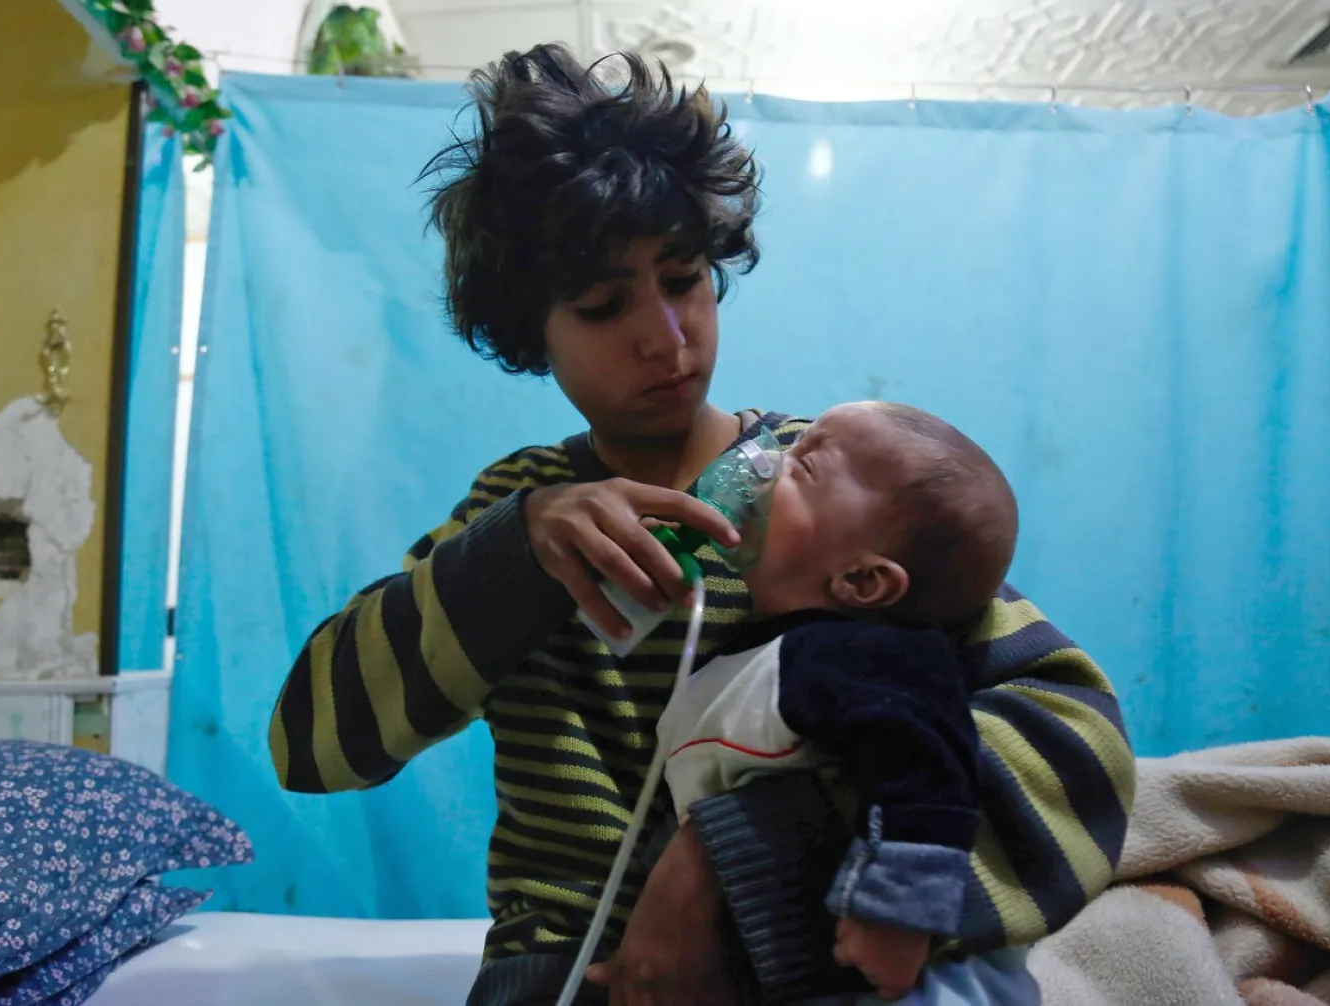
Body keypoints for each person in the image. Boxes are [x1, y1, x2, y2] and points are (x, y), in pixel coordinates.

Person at [268, 43, 1136, 1006]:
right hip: (561, 971)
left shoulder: (832, 501)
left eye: (683, 280)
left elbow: (1080, 755)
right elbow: (312, 749)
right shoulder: (517, 517)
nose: (666, 340)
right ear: (528, 331)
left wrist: (747, 854)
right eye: (602, 305)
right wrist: (518, 549)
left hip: (793, 961)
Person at [656, 400, 1024, 1002]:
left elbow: (927, 759)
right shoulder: (745, 661)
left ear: (862, 581)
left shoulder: (864, 655)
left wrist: (900, 912)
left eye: (803, 466)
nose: (763, 458)